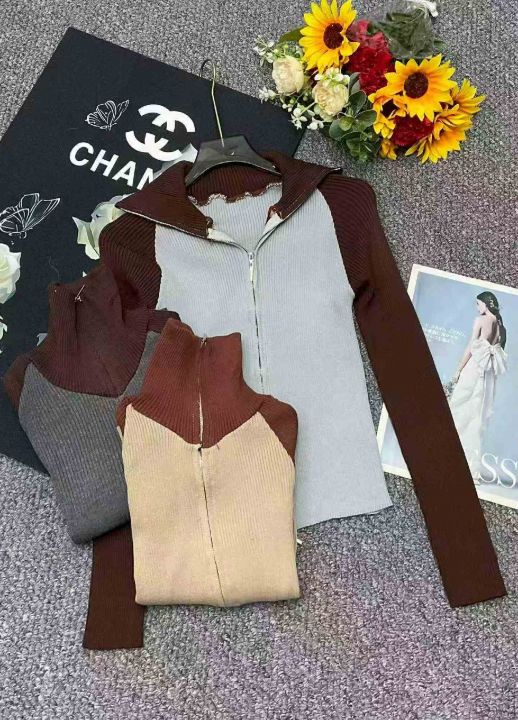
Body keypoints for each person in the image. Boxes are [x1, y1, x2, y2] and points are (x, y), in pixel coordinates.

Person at [449, 291, 508, 476]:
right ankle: (469, 468)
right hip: (488, 375)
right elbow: (499, 352)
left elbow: (470, 347)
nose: (477, 308)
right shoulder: (502, 327)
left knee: (458, 407)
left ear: (486, 303)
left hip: (474, 369)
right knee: (478, 417)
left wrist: (458, 370)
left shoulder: (481, 320)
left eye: (478, 304)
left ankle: (447, 456)